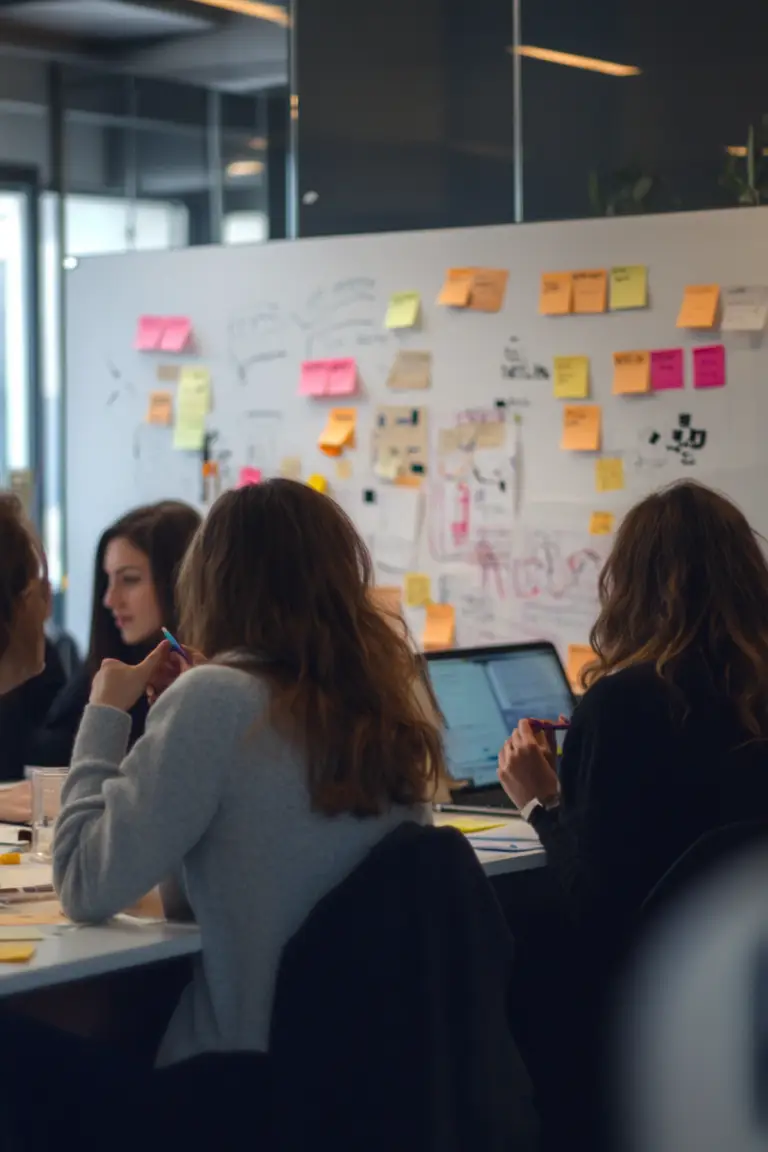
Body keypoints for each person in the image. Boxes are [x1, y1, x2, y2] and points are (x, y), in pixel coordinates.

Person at [49, 479, 441, 1087]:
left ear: (212, 582)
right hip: (363, 1081)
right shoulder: (385, 703)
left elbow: (82, 884)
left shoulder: (217, 699)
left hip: (238, 1083)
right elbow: (194, 894)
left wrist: (104, 714)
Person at [497, 480, 768, 946]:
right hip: (739, 975)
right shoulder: (750, 692)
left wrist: (541, 803)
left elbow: (592, 907)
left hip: (644, 987)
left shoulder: (621, 704)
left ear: (633, 588)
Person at [26, 500, 201, 772]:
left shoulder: (209, 683)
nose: (109, 599)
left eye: (129, 579)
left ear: (178, 581)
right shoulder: (102, 672)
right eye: (108, 580)